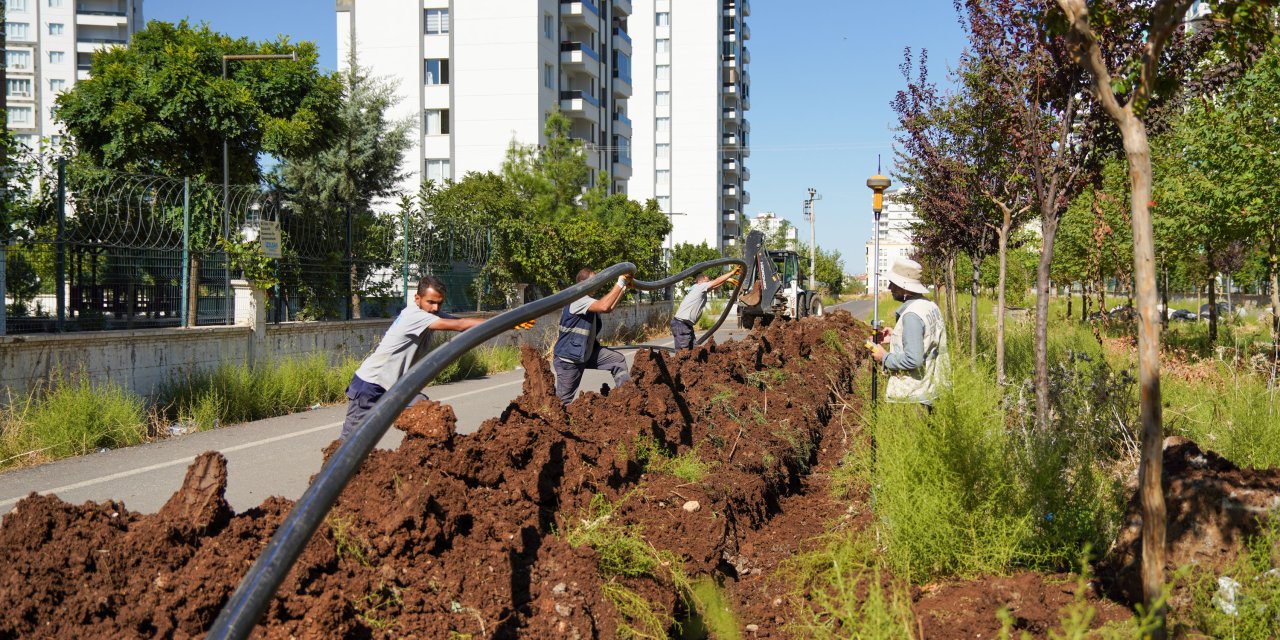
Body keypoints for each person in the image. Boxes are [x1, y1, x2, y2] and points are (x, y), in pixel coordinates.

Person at [339, 275, 532, 440]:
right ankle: (332, 482)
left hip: (398, 387)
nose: (435, 307)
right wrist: (508, 323)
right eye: (430, 302)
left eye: (439, 303)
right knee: (349, 447)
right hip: (370, 385)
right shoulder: (414, 316)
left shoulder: (430, 314)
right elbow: (460, 325)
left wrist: (506, 321)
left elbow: (457, 321)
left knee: (431, 418)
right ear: (417, 298)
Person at [869, 258, 950, 407]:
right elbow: (927, 339)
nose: (889, 287)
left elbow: (914, 360)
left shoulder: (911, 315)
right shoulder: (929, 305)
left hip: (914, 397)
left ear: (905, 287)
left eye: (894, 283)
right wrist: (895, 336)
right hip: (931, 389)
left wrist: (884, 357)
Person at [554, 268, 634, 404]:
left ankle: (628, 398)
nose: (597, 285)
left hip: (586, 352)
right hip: (570, 359)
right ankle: (550, 421)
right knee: (562, 402)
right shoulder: (578, 299)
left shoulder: (587, 300)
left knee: (617, 361)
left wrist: (623, 287)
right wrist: (620, 282)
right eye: (594, 282)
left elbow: (609, 308)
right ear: (582, 283)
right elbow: (604, 306)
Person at [670, 266, 741, 350]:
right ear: (701, 281)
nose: (708, 284)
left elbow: (714, 285)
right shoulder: (700, 287)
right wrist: (732, 273)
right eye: (707, 282)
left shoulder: (697, 288)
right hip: (681, 324)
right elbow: (716, 282)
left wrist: (726, 280)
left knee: (693, 351)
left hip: (685, 325)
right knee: (683, 354)